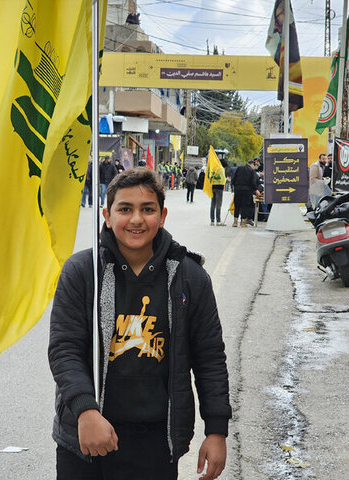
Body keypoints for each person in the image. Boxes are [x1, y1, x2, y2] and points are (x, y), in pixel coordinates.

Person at [49, 168, 231, 480]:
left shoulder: (190, 277)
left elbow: (210, 358)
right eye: (125, 209)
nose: (136, 219)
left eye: (147, 209)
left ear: (162, 216)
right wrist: (86, 410)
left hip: (156, 443)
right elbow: (64, 350)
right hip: (87, 437)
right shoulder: (81, 272)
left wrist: (216, 430)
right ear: (107, 216)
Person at [231, 158, 260, 228]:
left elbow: (233, 179)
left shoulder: (239, 168)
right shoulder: (252, 171)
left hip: (237, 190)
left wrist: (235, 187)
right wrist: (256, 190)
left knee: (237, 205)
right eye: (254, 165)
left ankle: (235, 222)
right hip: (247, 191)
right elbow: (253, 182)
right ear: (251, 164)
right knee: (245, 206)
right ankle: (243, 222)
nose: (254, 167)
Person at [208, 160, 227, 226]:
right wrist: (226, 180)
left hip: (213, 187)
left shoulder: (214, 168)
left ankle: (212, 221)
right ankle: (218, 221)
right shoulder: (221, 169)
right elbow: (222, 179)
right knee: (218, 204)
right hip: (219, 188)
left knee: (213, 204)